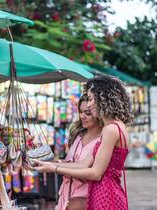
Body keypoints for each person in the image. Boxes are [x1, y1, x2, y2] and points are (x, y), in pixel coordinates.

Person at [34, 76, 133, 210]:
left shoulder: (111, 129)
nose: (90, 104)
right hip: (105, 193)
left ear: (103, 98)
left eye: (92, 99)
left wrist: (54, 169)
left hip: (106, 195)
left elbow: (95, 173)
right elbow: (83, 164)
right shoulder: (116, 126)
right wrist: (49, 164)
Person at [56, 95, 103, 210]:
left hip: (84, 199)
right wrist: (50, 162)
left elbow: (89, 171)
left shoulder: (103, 140)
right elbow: (70, 163)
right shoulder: (78, 136)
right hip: (65, 196)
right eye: (80, 112)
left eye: (87, 113)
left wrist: (53, 167)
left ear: (99, 114)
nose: (82, 116)